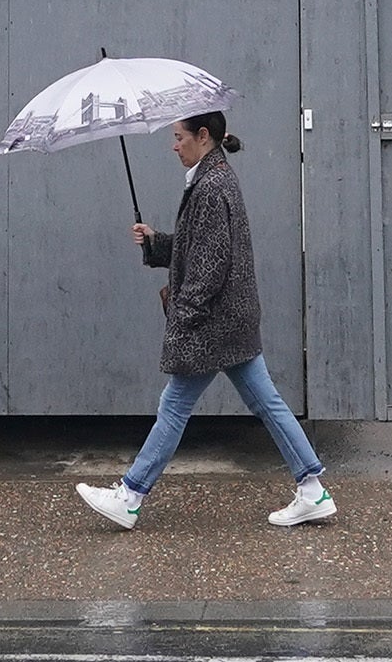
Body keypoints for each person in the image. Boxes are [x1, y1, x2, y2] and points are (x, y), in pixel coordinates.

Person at [74, 110, 335, 530]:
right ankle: (312, 489)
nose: (173, 145)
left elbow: (210, 264)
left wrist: (183, 316)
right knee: (265, 403)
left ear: (203, 135)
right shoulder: (213, 178)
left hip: (213, 322)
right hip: (232, 318)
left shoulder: (211, 186)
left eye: (179, 137)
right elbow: (199, 247)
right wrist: (156, 242)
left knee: (174, 405)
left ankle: (130, 495)